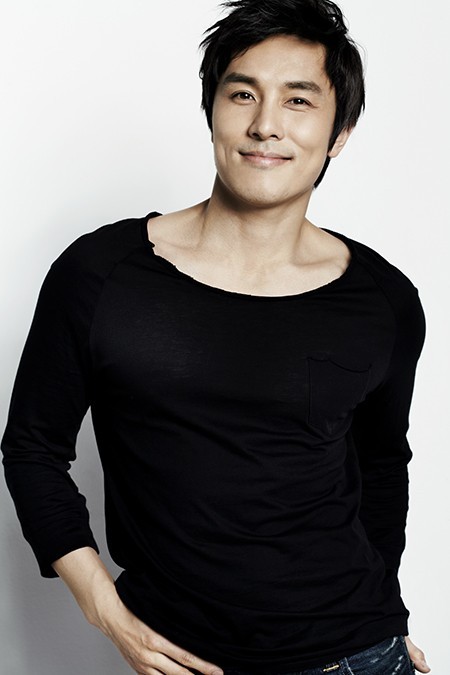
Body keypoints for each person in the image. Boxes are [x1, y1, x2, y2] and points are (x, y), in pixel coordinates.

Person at [1, 0, 431, 673]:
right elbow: (32, 449)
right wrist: (107, 611)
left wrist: (388, 617)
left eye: (298, 100)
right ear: (211, 109)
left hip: (357, 654)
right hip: (184, 658)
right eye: (242, 94)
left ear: (339, 131)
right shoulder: (101, 273)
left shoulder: (384, 300)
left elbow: (381, 467)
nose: (265, 125)